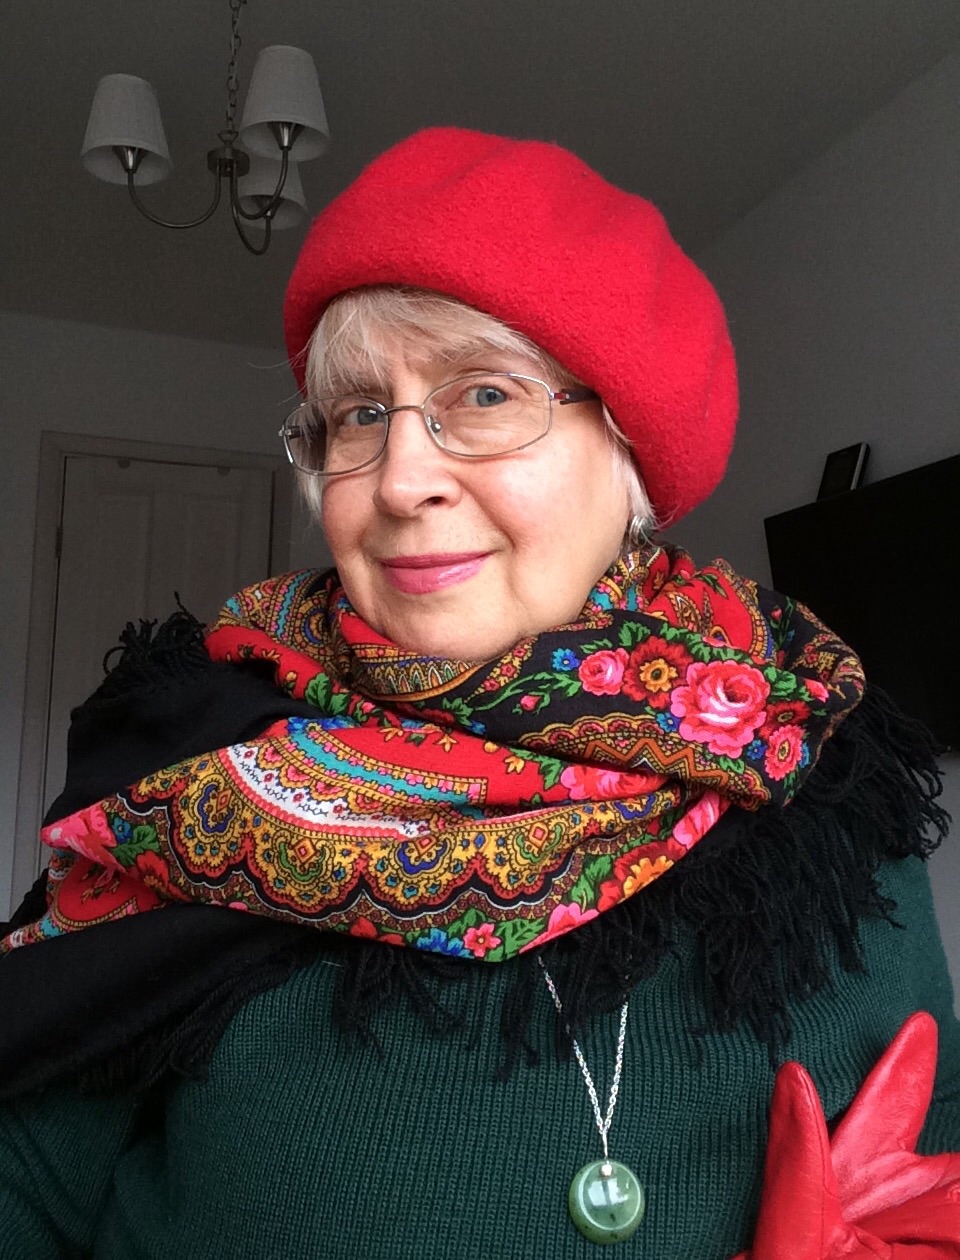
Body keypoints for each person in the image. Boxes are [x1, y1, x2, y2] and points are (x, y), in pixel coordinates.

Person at [2, 127, 959, 1259]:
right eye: (360, 415)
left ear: (632, 452)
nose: (401, 479)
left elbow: (931, 1120)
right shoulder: (192, 763)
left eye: (487, 394)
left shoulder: (817, 776)